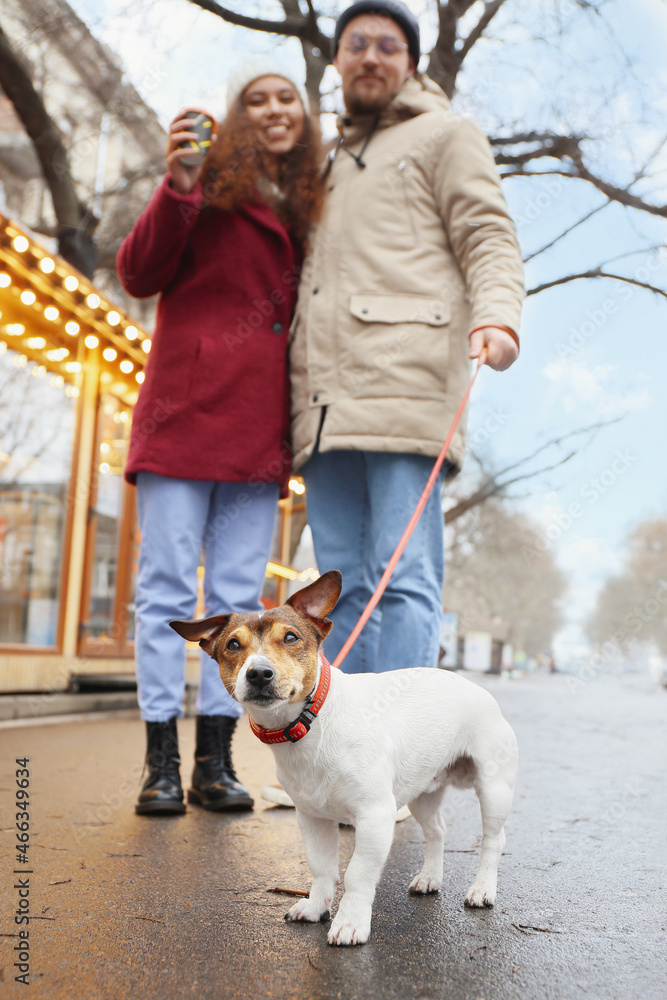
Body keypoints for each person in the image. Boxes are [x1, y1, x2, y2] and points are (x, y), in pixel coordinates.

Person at [290, 1, 524, 674]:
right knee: (336, 591)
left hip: (407, 390)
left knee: (402, 577)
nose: (370, 56)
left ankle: (403, 758)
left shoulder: (444, 135)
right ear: (336, 60)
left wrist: (497, 315)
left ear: (410, 64)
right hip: (325, 410)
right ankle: (350, 764)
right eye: (355, 43)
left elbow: (486, 235)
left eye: (386, 46)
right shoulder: (325, 165)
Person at [117, 56, 322, 815]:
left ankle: (215, 764)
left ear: (303, 123)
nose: (273, 108)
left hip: (258, 429)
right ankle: (159, 766)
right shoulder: (202, 186)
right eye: (257, 99)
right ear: (237, 118)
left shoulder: (308, 206)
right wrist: (178, 185)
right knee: (165, 589)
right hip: (184, 414)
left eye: (287, 99)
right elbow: (138, 273)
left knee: (240, 604)